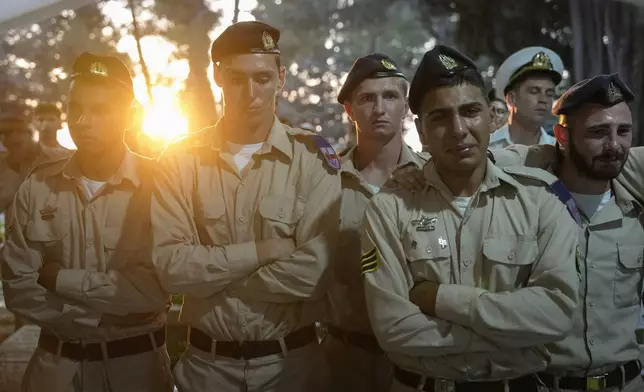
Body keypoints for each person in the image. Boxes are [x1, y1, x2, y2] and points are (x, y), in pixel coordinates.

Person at [360, 44, 579, 392]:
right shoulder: (390, 208)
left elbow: (556, 313)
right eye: (440, 117)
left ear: (491, 118)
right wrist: (513, 334)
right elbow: (394, 328)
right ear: (421, 130)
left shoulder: (539, 199)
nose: (459, 128)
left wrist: (441, 299)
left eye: (471, 111)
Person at [150, 21, 341, 392]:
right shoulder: (179, 160)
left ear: (281, 78)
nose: (251, 93)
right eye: (237, 79)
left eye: (263, 78)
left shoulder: (312, 159)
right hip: (206, 371)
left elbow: (314, 275)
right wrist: (264, 250)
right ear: (219, 77)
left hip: (293, 371)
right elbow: (172, 270)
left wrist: (211, 275)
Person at [0, 52, 172, 392]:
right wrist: (95, 316)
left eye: (100, 110)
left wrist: (59, 278)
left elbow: (157, 288)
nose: (82, 120)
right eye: (75, 107)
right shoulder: (38, 187)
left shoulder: (161, 186)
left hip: (137, 374)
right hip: (55, 374)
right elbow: (18, 287)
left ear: (130, 115)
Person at [324, 53, 428, 392]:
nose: (379, 108)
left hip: (420, 362)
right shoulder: (324, 182)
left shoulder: (434, 179)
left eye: (390, 96)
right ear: (350, 110)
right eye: (367, 98)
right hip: (343, 361)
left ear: (406, 107)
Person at [489, 47, 564, 149]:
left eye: (549, 94)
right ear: (511, 99)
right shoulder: (488, 147)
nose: (543, 99)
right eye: (534, 91)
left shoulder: (559, 151)